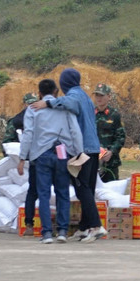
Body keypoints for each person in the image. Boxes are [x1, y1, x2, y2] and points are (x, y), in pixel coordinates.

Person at [34, 67, 106, 242]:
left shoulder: (73, 96)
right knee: (88, 188)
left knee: (82, 188)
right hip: (94, 148)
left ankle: (96, 226)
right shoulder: (85, 96)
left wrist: (48, 103)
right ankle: (84, 227)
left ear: (65, 83)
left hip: (83, 150)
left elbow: (70, 104)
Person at [18, 77, 84, 244]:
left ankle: (47, 233)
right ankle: (62, 231)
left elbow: (28, 135)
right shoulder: (65, 108)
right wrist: (78, 153)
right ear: (56, 92)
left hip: (42, 155)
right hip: (62, 154)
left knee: (44, 194)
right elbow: (75, 131)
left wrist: (22, 157)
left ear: (39, 93)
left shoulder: (32, 109)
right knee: (63, 193)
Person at [7, 92, 39, 230]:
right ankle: (29, 223)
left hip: (38, 160)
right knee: (33, 190)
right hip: (25, 162)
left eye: (34, 103)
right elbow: (7, 143)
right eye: (28, 103)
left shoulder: (42, 118)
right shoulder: (16, 121)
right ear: (24, 104)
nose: (31, 106)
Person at [94, 83, 126, 183]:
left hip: (110, 162)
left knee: (111, 193)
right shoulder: (90, 113)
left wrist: (111, 151)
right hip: (93, 160)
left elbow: (121, 137)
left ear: (108, 96)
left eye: (102, 95)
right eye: (97, 95)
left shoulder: (114, 115)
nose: (99, 98)